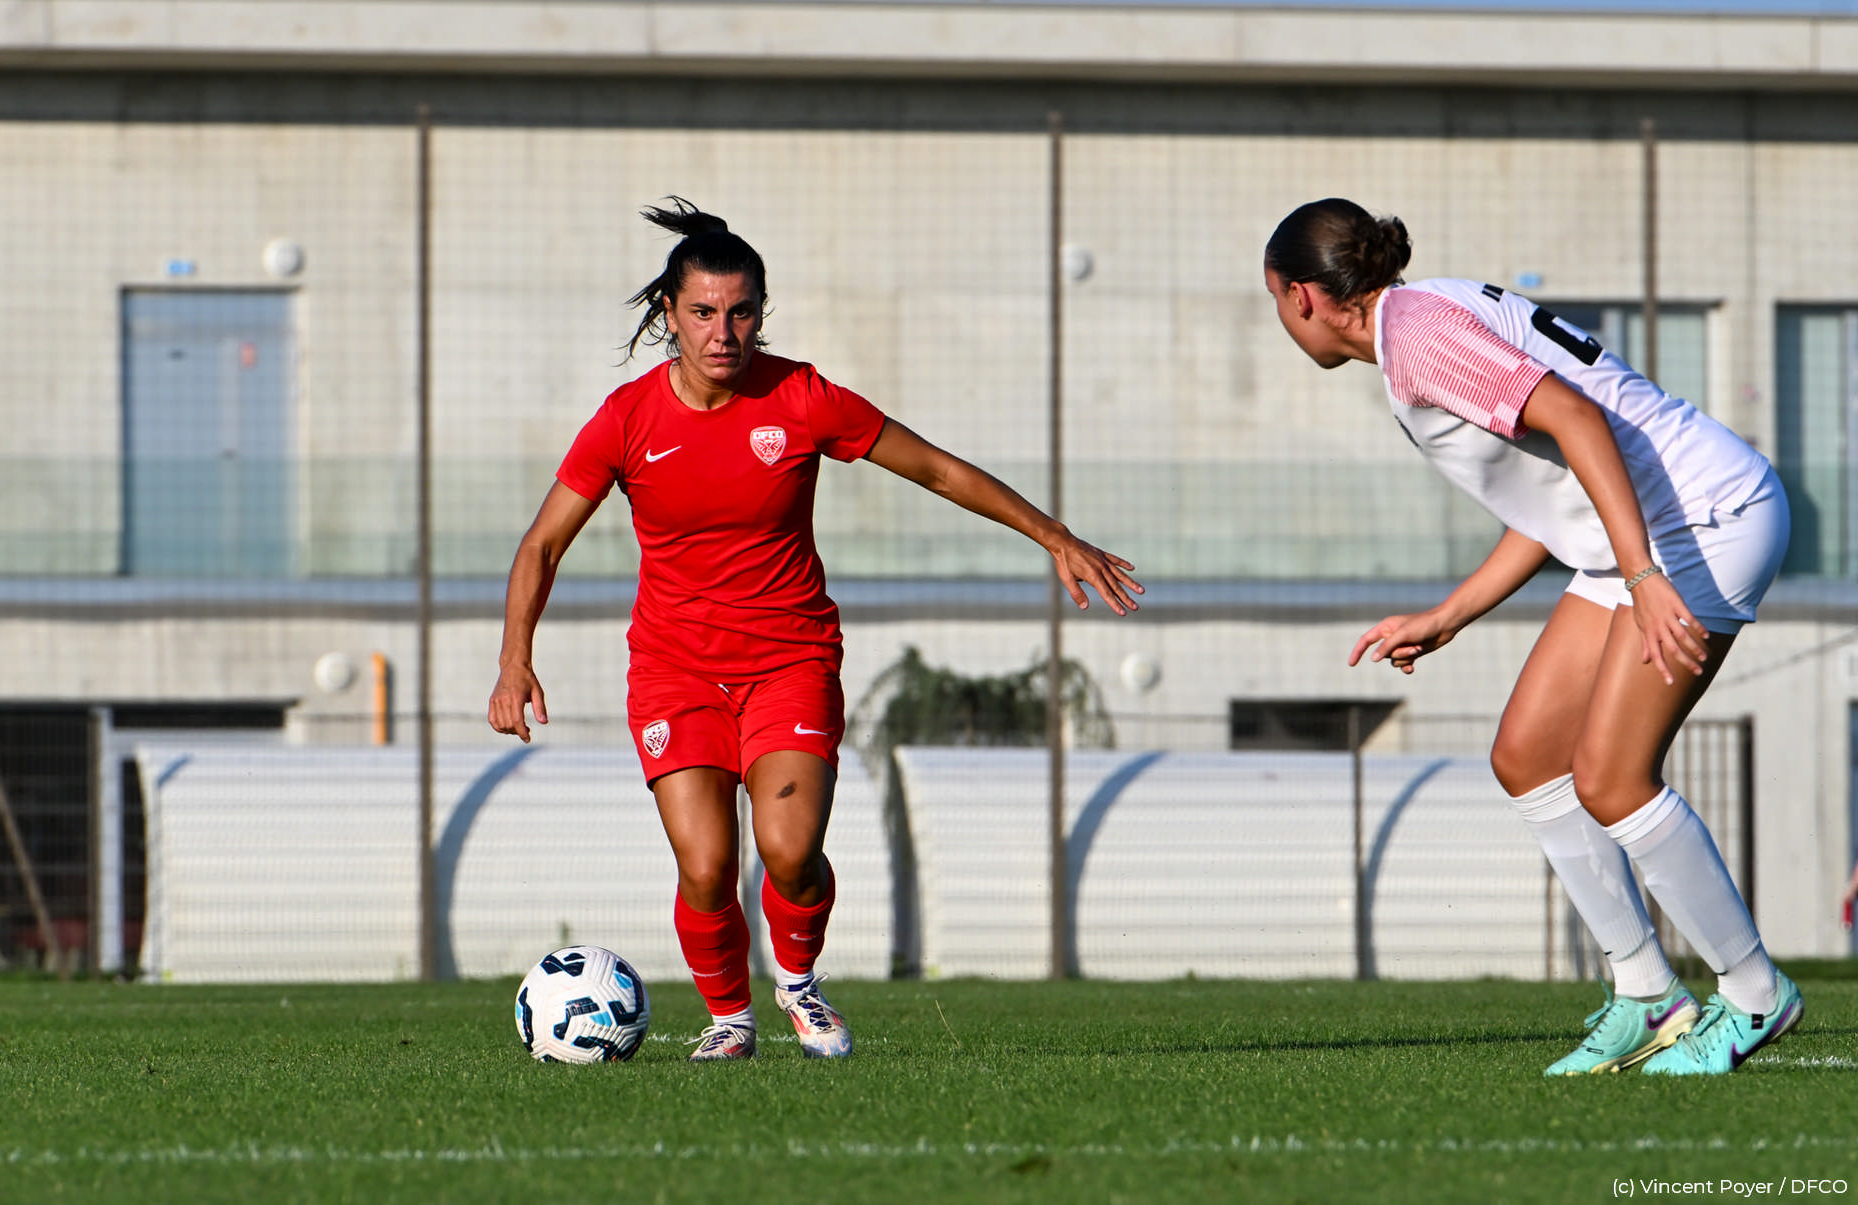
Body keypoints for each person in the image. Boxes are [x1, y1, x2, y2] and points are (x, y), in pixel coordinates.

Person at [489, 198, 1142, 1062]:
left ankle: (797, 981)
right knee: (706, 866)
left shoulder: (800, 398)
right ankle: (730, 1017)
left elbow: (936, 469)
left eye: (741, 311)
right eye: (703, 312)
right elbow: (541, 542)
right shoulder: (627, 418)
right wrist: (514, 660)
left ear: (762, 311)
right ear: (669, 314)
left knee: (789, 853)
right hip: (676, 671)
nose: (723, 332)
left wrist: (1053, 535)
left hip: (789, 662)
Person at [1264, 198, 1801, 1076]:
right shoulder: (1419, 320)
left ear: (1301, 296)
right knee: (1528, 755)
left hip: (1707, 517)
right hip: (1641, 533)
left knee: (1612, 778)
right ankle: (1647, 993)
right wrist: (1449, 614)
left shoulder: (1419, 338)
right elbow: (1552, 494)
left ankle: (1753, 992)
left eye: (1275, 303)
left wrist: (1643, 575)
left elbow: (1580, 423)